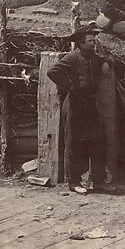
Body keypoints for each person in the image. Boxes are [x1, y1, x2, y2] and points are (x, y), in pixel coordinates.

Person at [46, 25, 109, 195]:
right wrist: (70, 86)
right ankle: (73, 182)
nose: (94, 43)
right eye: (90, 41)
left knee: (96, 141)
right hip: (74, 104)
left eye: (94, 40)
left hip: (90, 103)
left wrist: (105, 62)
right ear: (81, 43)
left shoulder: (93, 56)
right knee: (73, 143)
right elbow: (52, 71)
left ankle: (99, 181)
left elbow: (106, 58)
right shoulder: (72, 58)